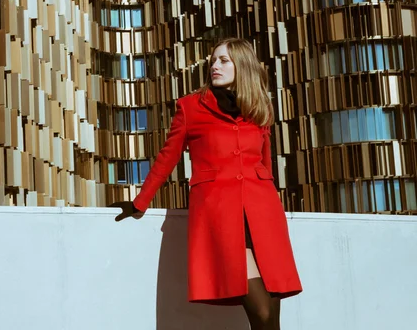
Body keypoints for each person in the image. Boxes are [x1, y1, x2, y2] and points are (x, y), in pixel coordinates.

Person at [112, 38, 302, 330]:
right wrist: (140, 202)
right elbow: (167, 157)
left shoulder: (258, 108)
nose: (215, 66)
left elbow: (265, 166)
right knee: (262, 314)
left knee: (272, 317)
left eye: (224, 60)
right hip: (221, 218)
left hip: (263, 217)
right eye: (213, 61)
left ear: (243, 65)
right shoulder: (191, 108)